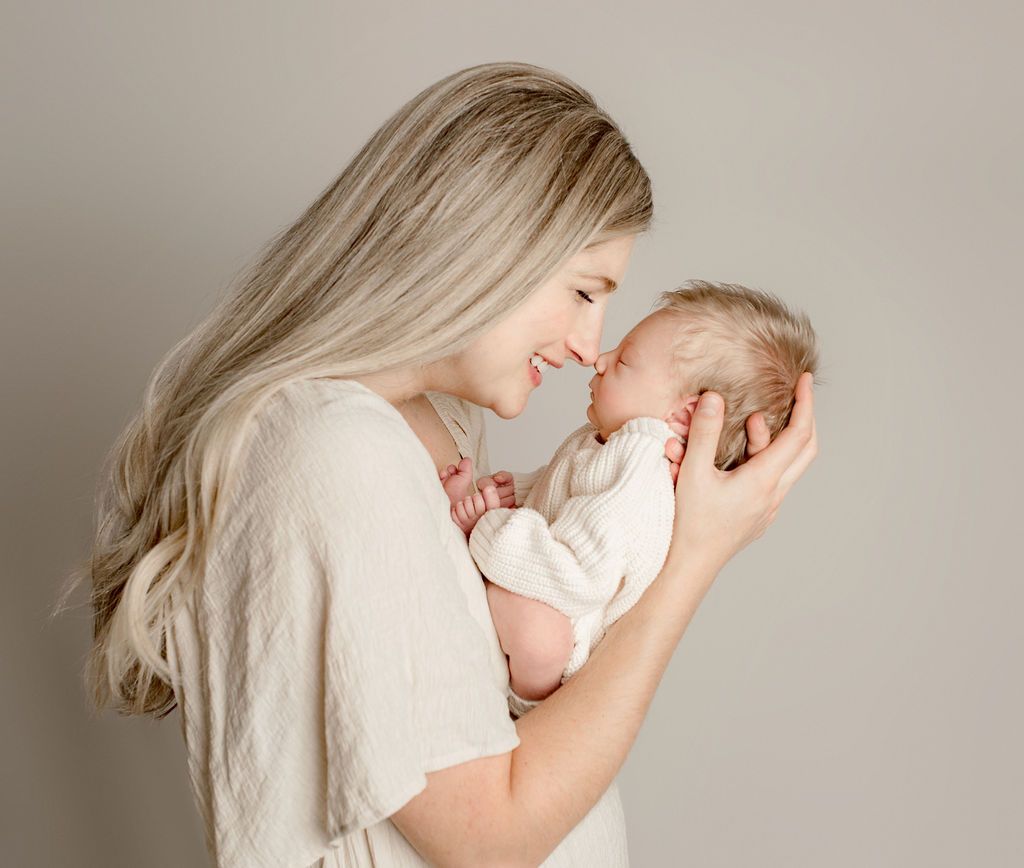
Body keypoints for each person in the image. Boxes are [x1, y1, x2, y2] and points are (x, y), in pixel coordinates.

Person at [67, 62, 817, 867]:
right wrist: (692, 562)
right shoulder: (337, 453)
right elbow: (484, 837)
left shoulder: (430, 425)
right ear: (488, 248)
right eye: (582, 291)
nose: (588, 347)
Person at [439, 280, 819, 718]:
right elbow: (573, 493)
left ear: (684, 414)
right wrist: (518, 491)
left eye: (624, 360)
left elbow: (577, 576)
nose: (599, 360)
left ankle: (524, 707)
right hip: (553, 578)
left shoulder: (638, 465)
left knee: (540, 638)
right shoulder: (613, 440)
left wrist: (487, 526)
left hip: (568, 633)